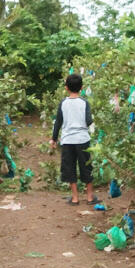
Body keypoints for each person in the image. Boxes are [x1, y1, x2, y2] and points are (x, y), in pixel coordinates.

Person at [49, 73, 99, 205]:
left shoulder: (63, 103)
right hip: (83, 140)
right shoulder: (84, 103)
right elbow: (88, 121)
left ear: (66, 88)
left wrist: (53, 139)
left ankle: (75, 198)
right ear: (81, 88)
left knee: (69, 168)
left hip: (68, 141)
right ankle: (89, 197)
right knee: (86, 167)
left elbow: (58, 122)